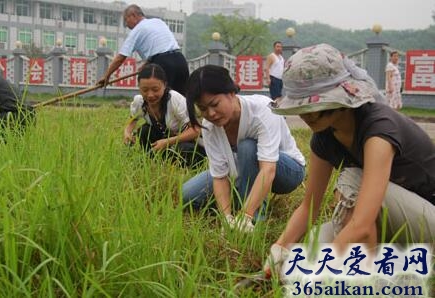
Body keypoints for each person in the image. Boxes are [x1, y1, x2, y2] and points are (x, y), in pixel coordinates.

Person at [263, 44, 435, 279]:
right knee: (314, 242)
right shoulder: (324, 136)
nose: (304, 113)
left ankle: (369, 280)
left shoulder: (379, 129)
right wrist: (280, 249)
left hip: (427, 224)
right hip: (393, 225)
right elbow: (309, 207)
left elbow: (362, 223)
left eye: (312, 104)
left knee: (353, 179)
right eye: (300, 104)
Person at [182, 65, 306, 232]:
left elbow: (268, 170)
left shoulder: (263, 110)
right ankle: (243, 195)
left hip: (287, 171)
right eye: (203, 109)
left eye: (215, 104)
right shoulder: (209, 126)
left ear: (231, 93)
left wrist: (244, 215)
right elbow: (219, 176)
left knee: (248, 146)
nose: (211, 114)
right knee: (188, 195)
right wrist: (227, 218)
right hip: (240, 170)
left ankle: (254, 219)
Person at [125, 63, 205, 168]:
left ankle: (175, 167)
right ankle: (152, 162)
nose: (150, 95)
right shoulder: (139, 101)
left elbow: (196, 130)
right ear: (139, 87)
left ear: (164, 85)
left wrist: (167, 142)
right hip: (166, 140)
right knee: (144, 131)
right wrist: (127, 132)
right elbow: (133, 119)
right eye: (145, 90)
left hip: (190, 143)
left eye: (155, 89)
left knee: (182, 150)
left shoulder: (174, 100)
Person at [98, 4, 189, 95]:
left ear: (133, 15)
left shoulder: (137, 30)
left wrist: (106, 76)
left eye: (126, 20)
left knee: (161, 99)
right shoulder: (158, 21)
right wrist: (147, 64)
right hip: (180, 60)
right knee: (182, 100)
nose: (126, 24)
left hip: (164, 64)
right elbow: (159, 47)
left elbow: (120, 58)